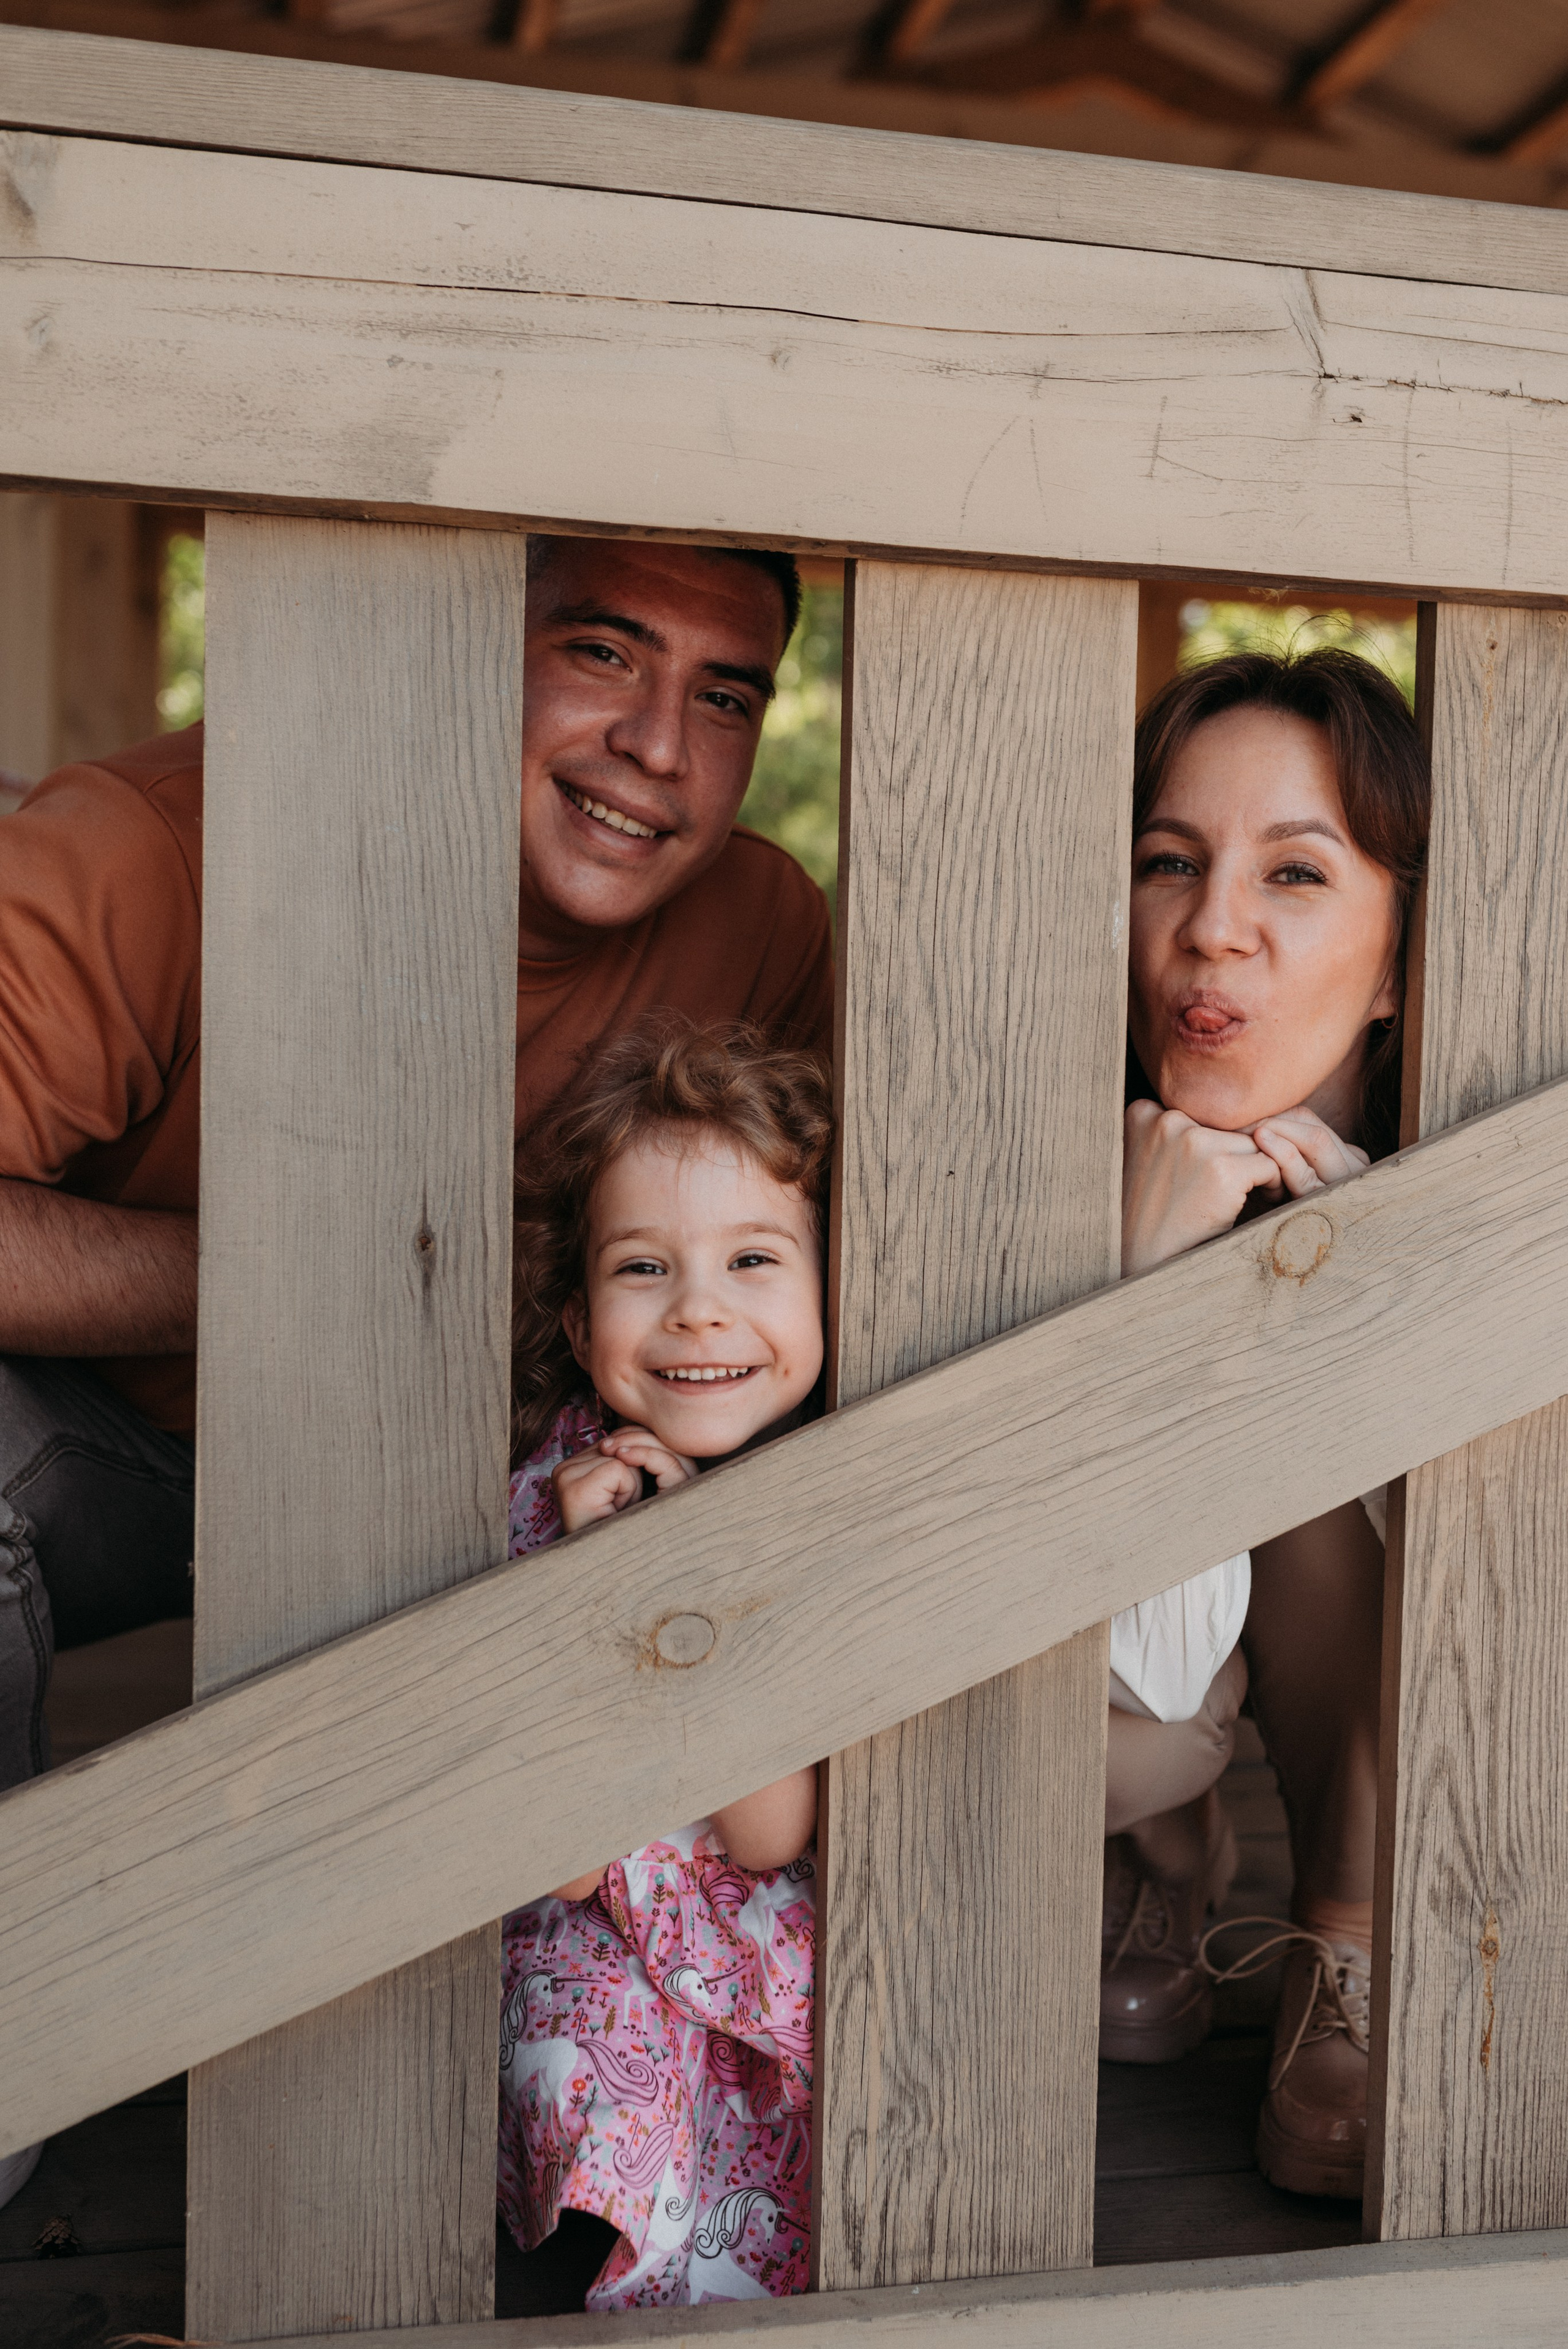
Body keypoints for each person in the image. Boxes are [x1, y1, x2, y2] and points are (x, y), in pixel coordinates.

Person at [0, 535, 831, 2209]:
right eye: (602, 652)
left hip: (509, 1509)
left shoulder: (759, 926)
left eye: (724, 695)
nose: (658, 746)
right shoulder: (147, 846)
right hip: (136, 1458)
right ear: (454, 632)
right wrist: (322, 1291)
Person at [1104, 646, 1428, 2206]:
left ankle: (1346, 1930)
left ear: (1399, 964)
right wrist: (1130, 1297)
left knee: (1360, 1430)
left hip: (1335, 1707)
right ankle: (1155, 1863)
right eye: (1169, 861)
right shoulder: (987, 1152)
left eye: (1293, 873)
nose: (1209, 926)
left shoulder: (1490, 1178)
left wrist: (1368, 1299)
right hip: (1120, 1731)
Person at [499, 1019, 827, 2310]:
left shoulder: (821, 1495)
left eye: (753, 1259)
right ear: (580, 1324)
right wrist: (605, 1585)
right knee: (583, 2062)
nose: (698, 1308)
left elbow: (767, 1833)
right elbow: (568, 1858)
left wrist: (689, 1579)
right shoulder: (550, 1501)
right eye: (645, 1268)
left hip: (761, 1947)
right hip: (592, 1947)